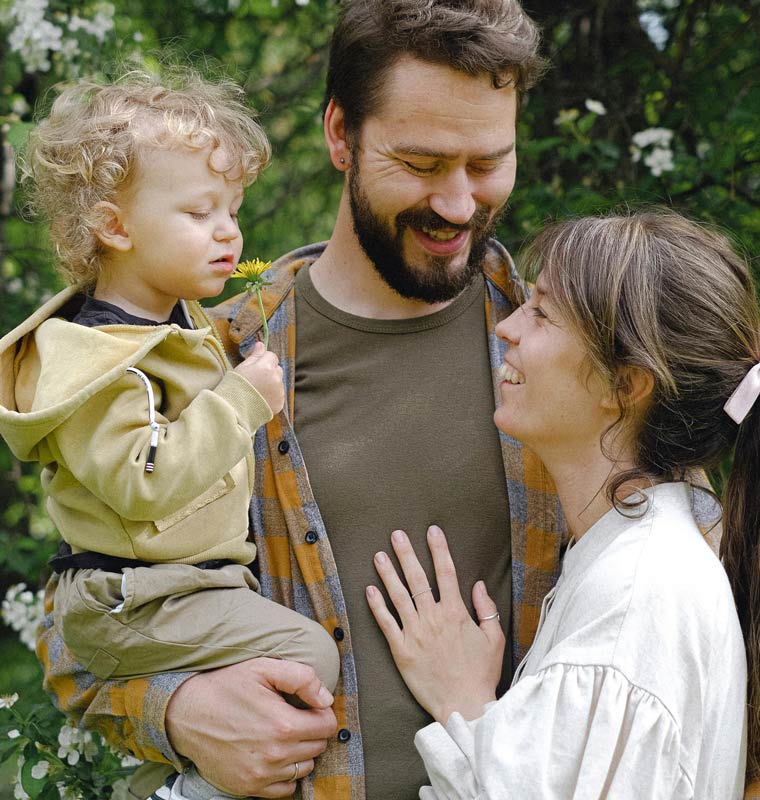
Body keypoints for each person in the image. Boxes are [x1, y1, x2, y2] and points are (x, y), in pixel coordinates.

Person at [34, 5, 720, 799]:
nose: (460, 203)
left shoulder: (580, 372)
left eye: (488, 162)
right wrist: (178, 709)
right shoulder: (213, 364)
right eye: (423, 164)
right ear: (340, 135)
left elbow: (703, 627)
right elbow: (83, 624)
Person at [365, 208, 760, 798]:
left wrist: (463, 703)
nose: (508, 328)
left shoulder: (634, 597)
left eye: (541, 313)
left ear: (624, 385)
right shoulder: (634, 559)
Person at [0, 70, 340, 800]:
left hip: (179, 589)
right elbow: (141, 479)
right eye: (199, 211)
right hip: (132, 600)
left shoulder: (175, 324)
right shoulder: (92, 360)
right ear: (115, 227)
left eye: (234, 210)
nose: (229, 231)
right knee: (308, 651)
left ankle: (169, 772)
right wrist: (241, 402)